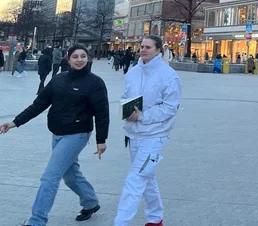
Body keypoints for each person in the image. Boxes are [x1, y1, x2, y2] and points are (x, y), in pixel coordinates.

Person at [0, 44, 109, 224]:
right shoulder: (59, 79)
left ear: (88, 58)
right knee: (70, 173)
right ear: (68, 58)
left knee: (50, 177)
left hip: (77, 134)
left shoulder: (95, 83)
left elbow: (102, 113)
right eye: (75, 56)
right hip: (57, 133)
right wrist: (14, 122)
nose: (79, 60)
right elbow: (39, 104)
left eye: (83, 56)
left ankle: (37, 220)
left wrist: (101, 140)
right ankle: (90, 202)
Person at [114, 36, 182, 226]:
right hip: (134, 134)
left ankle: (120, 222)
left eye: (148, 47)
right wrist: (127, 112)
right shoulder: (133, 72)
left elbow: (170, 107)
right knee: (147, 177)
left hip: (155, 136)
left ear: (158, 50)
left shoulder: (168, 75)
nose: (143, 50)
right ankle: (155, 218)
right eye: (142, 46)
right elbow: (125, 97)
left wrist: (143, 116)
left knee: (135, 179)